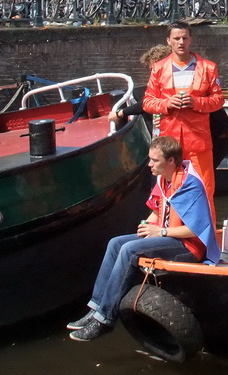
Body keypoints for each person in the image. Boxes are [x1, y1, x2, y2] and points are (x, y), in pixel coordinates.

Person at [67, 136, 218, 342]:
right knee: (116, 243)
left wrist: (160, 233)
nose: (149, 165)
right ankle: (95, 308)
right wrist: (146, 227)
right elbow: (157, 211)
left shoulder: (190, 185)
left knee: (130, 250)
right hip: (167, 236)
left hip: (188, 247)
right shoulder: (164, 178)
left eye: (154, 160)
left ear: (171, 161)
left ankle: (105, 319)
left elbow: (196, 230)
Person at [142, 22, 225, 212]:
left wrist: (196, 103)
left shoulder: (208, 67)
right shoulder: (159, 69)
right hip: (170, 143)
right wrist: (166, 104)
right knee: (168, 192)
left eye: (184, 38)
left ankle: (204, 238)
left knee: (204, 190)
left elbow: (218, 100)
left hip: (198, 141)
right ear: (168, 41)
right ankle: (169, 235)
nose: (181, 42)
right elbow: (147, 101)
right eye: (176, 38)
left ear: (191, 40)